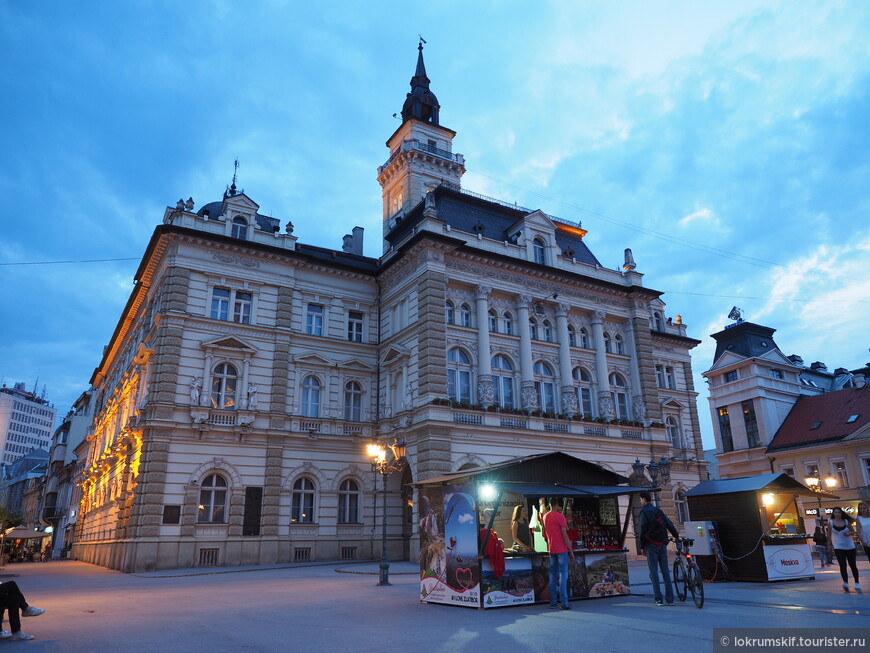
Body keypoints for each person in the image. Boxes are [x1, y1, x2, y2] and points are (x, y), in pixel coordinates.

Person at [638, 490, 679, 606]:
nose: (640, 501)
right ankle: (670, 599)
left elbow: (642, 530)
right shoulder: (658, 511)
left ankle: (658, 599)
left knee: (654, 572)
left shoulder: (644, 512)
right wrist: (676, 536)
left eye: (640, 499)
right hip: (662, 544)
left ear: (643, 499)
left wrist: (642, 546)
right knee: (665, 571)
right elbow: (669, 523)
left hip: (651, 545)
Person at [542, 497, 574, 610]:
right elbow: (564, 535)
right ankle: (564, 602)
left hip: (551, 548)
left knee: (553, 575)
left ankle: (553, 602)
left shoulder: (545, 517)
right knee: (563, 575)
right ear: (557, 505)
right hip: (561, 549)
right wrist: (570, 550)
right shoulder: (560, 516)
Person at [826, 506, 860, 592]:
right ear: (833, 513)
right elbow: (829, 535)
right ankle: (846, 583)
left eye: (839, 512)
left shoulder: (846, 521)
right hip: (838, 546)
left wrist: (849, 532)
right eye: (836, 512)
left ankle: (857, 583)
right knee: (842, 565)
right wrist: (829, 546)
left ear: (841, 514)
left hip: (849, 546)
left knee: (853, 565)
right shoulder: (830, 522)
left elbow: (853, 531)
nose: (837, 514)